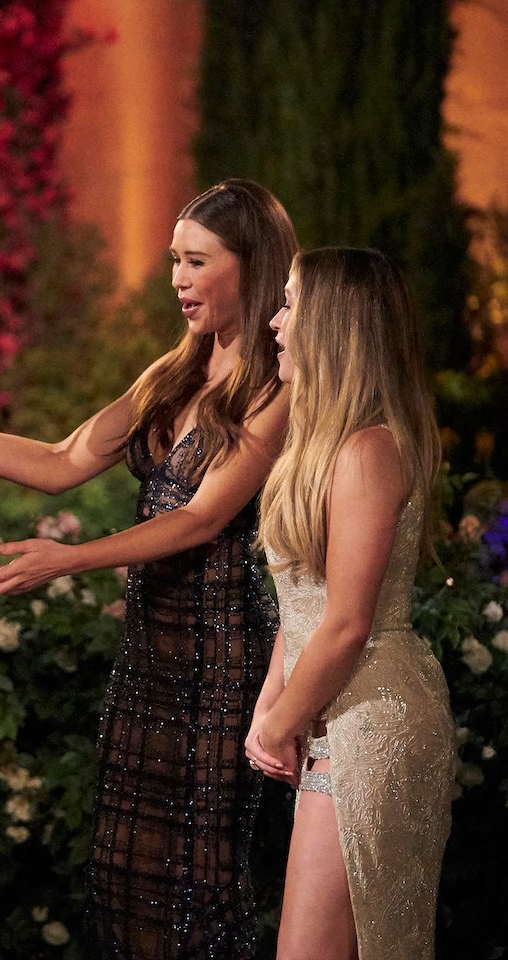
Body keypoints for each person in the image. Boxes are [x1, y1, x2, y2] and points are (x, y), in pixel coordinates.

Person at [0, 179, 297, 958]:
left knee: (201, 891)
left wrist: (70, 560)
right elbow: (60, 460)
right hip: (149, 660)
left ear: (252, 266)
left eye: (197, 261)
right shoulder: (171, 374)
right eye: (174, 260)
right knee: (126, 881)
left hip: (222, 666)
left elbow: (202, 518)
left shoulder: (276, 392)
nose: (177, 279)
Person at [246, 248, 454, 960]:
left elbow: (345, 625)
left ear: (335, 326)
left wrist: (279, 723)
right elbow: (303, 603)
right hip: (333, 710)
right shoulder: (325, 448)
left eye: (291, 303)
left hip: (371, 719)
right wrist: (272, 709)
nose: (275, 322)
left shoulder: (369, 451)